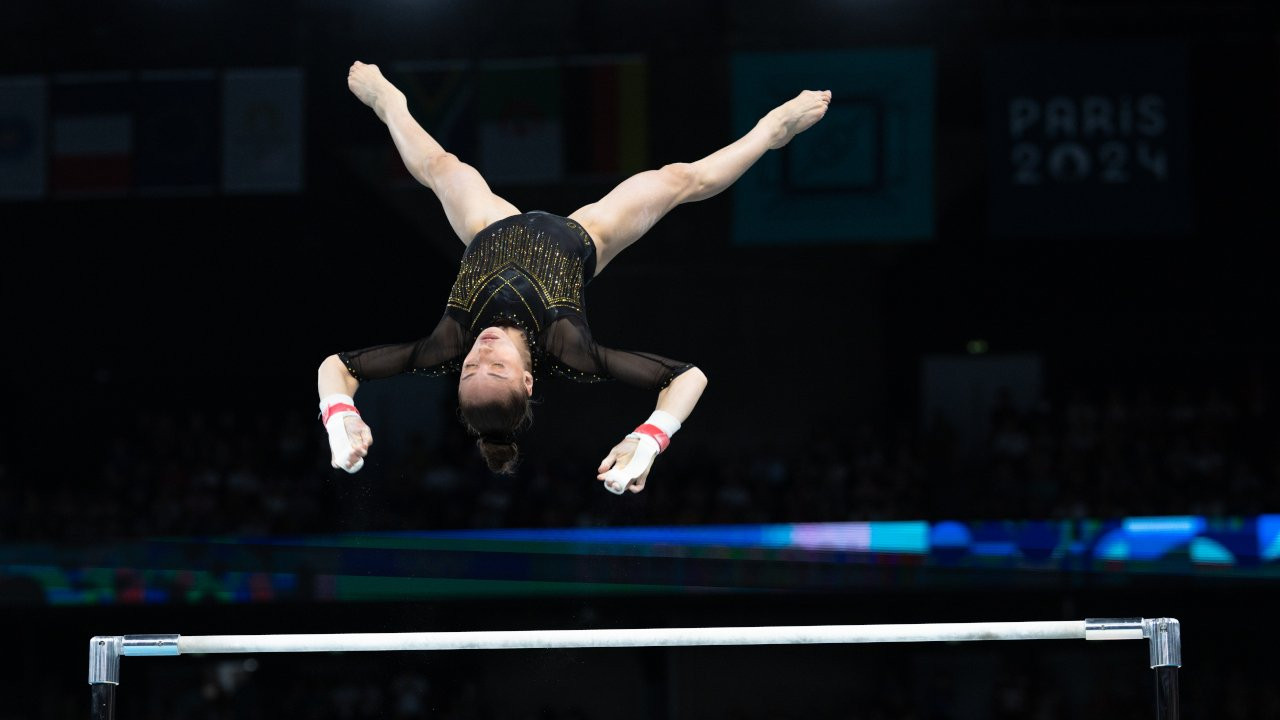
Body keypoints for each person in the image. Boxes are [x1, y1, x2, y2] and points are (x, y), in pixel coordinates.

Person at [317, 60, 831, 494]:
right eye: (495, 370)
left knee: (439, 164)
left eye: (469, 371)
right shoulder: (567, 349)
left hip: (487, 229)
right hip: (585, 236)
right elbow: (688, 377)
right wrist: (649, 437)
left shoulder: (447, 343)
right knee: (680, 180)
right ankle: (771, 131)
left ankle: (390, 103)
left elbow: (337, 367)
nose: (481, 355)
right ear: (526, 378)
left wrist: (341, 414)